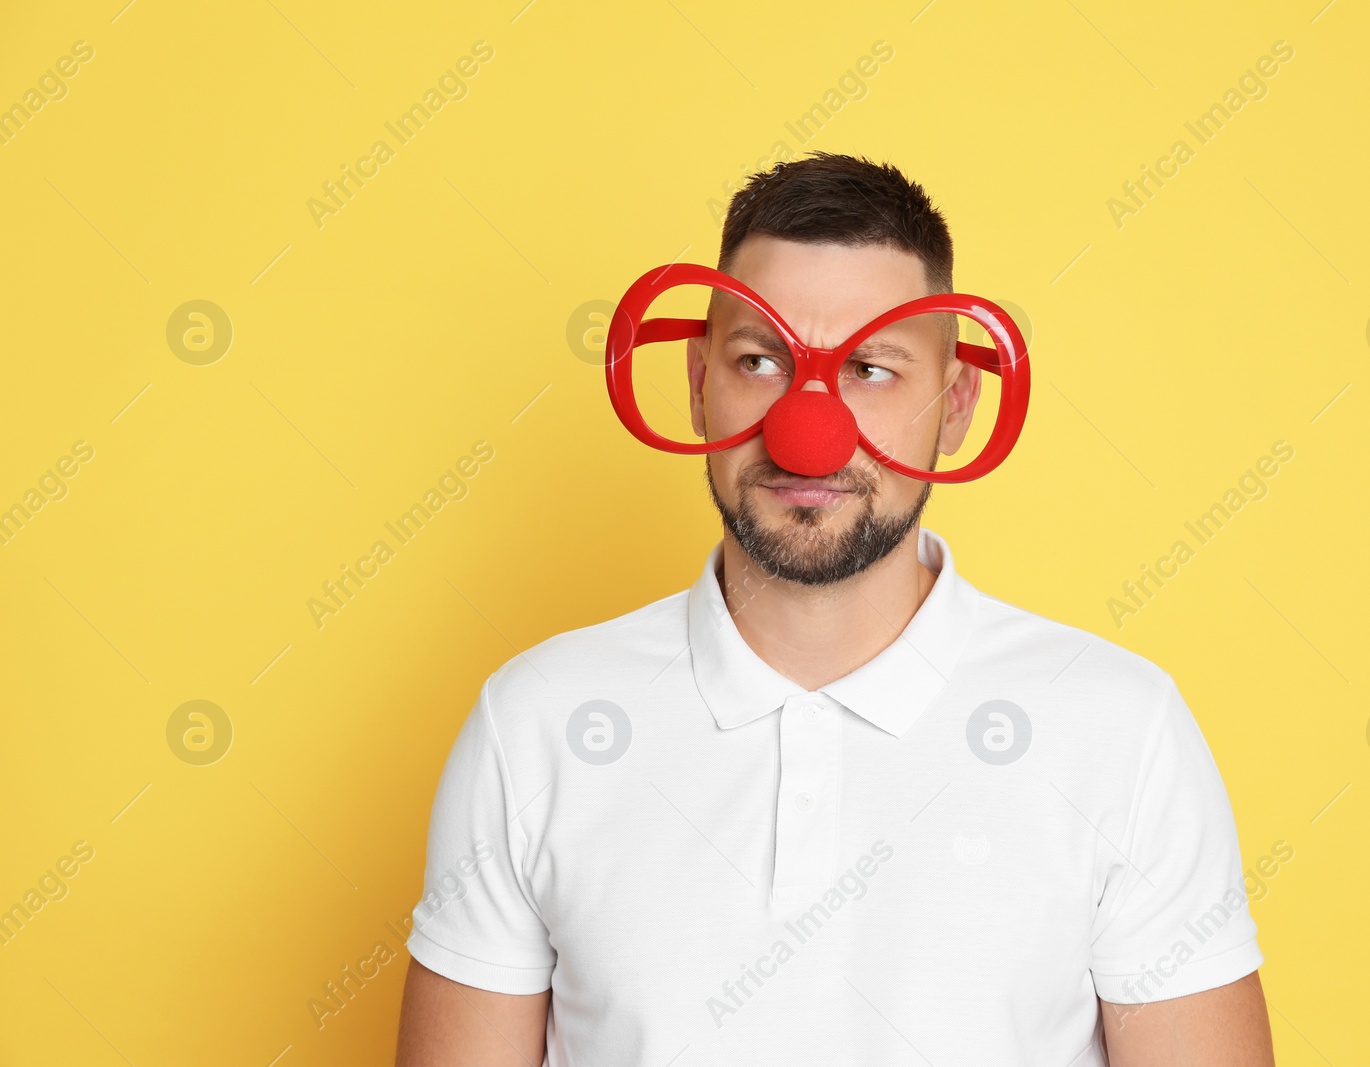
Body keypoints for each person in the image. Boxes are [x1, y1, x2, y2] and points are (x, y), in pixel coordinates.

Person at [394, 152, 1274, 1066]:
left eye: (873, 369)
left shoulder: (1119, 729)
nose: (807, 430)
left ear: (958, 402)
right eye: (760, 360)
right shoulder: (535, 722)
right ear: (698, 383)